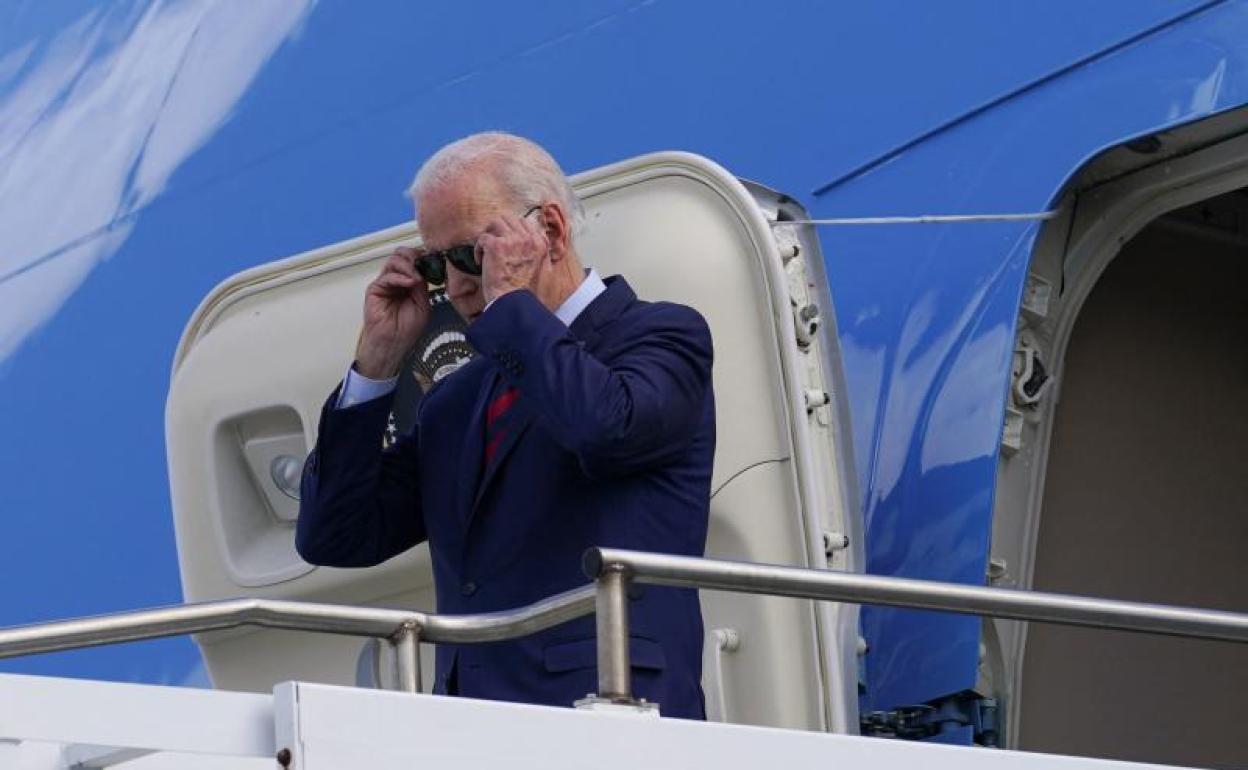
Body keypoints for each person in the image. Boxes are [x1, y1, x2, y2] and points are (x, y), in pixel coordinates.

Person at [295, 132, 715, 719]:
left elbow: (603, 429)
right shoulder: (456, 399)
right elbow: (335, 536)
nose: (455, 285)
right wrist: (377, 364)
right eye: (437, 265)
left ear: (552, 230)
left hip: (609, 708)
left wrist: (509, 302)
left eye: (473, 255)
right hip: (474, 724)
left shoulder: (662, 335)